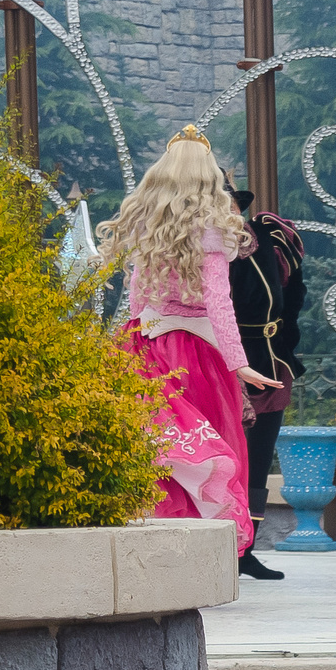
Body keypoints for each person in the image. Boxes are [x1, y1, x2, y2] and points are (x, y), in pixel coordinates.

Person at [99, 127, 278, 557]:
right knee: (204, 446)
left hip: (142, 345)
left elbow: (138, 294)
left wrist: (130, 339)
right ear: (206, 177)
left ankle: (153, 544)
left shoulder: (147, 225)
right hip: (195, 353)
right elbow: (219, 302)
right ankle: (196, 553)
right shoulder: (213, 230)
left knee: (153, 444)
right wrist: (239, 364)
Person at [224, 178, 307, 582]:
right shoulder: (199, 247)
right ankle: (217, 551)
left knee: (257, 462)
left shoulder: (269, 237)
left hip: (271, 362)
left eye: (229, 200)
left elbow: (293, 298)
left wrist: (287, 348)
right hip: (221, 361)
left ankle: (247, 550)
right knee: (221, 461)